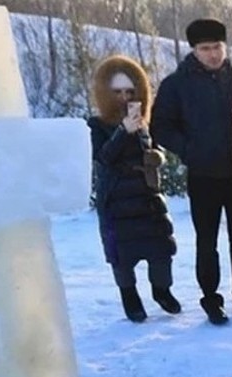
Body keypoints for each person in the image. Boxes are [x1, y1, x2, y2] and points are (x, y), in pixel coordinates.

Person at [152, 18, 232, 325]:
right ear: (194, 50)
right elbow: (161, 127)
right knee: (207, 241)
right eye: (205, 49)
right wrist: (191, 149)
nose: (213, 54)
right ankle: (211, 299)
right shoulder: (177, 85)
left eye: (217, 47)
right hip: (203, 175)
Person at [88, 56, 182, 323]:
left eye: (129, 91)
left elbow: (152, 149)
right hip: (116, 199)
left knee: (162, 248)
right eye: (117, 92)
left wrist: (156, 156)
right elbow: (103, 157)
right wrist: (122, 131)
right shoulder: (96, 125)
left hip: (146, 197)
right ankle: (130, 297)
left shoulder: (143, 122)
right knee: (121, 256)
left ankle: (162, 291)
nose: (124, 97)